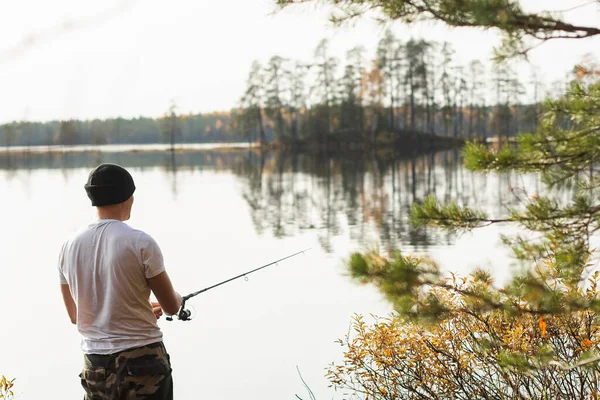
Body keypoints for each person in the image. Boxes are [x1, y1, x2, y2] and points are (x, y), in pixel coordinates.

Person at [58, 163, 183, 400]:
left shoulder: (68, 247)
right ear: (128, 197)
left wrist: (140, 308)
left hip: (95, 367)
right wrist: (176, 298)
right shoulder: (140, 243)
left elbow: (76, 315)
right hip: (143, 363)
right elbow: (171, 307)